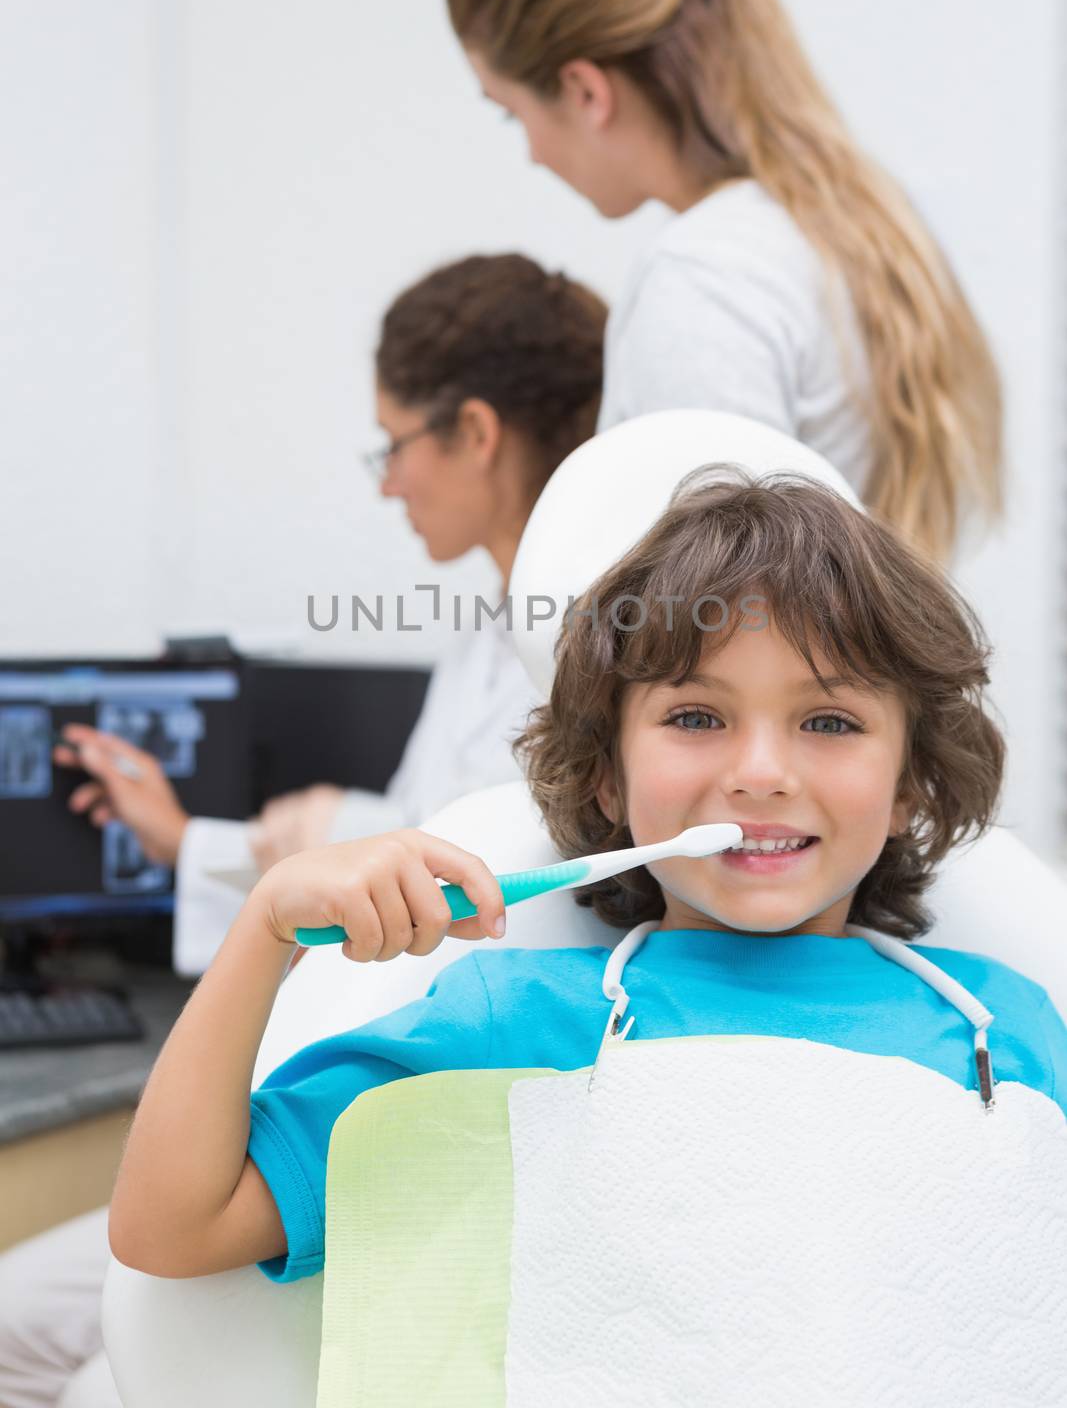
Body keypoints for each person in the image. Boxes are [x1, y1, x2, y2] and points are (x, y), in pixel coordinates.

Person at [106, 471, 1067, 1399]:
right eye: (696, 716)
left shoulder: (1008, 1024)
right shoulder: (510, 1017)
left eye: (828, 719)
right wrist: (264, 927)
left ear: (909, 783)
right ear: (606, 776)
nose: (763, 770)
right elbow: (172, 1229)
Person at [0, 251, 605, 1408]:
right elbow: (390, 869)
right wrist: (192, 842)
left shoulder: (580, 648)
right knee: (32, 1321)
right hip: (324, 1095)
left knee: (77, 1366)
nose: (387, 484)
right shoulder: (490, 630)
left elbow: (461, 884)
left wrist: (311, 840)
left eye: (394, 447)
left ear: (473, 431)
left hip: (416, 1103)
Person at [446, 0, 1004, 565]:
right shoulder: (835, 229)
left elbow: (722, 630)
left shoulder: (703, 277)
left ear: (585, 92)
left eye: (510, 114)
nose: (529, 153)